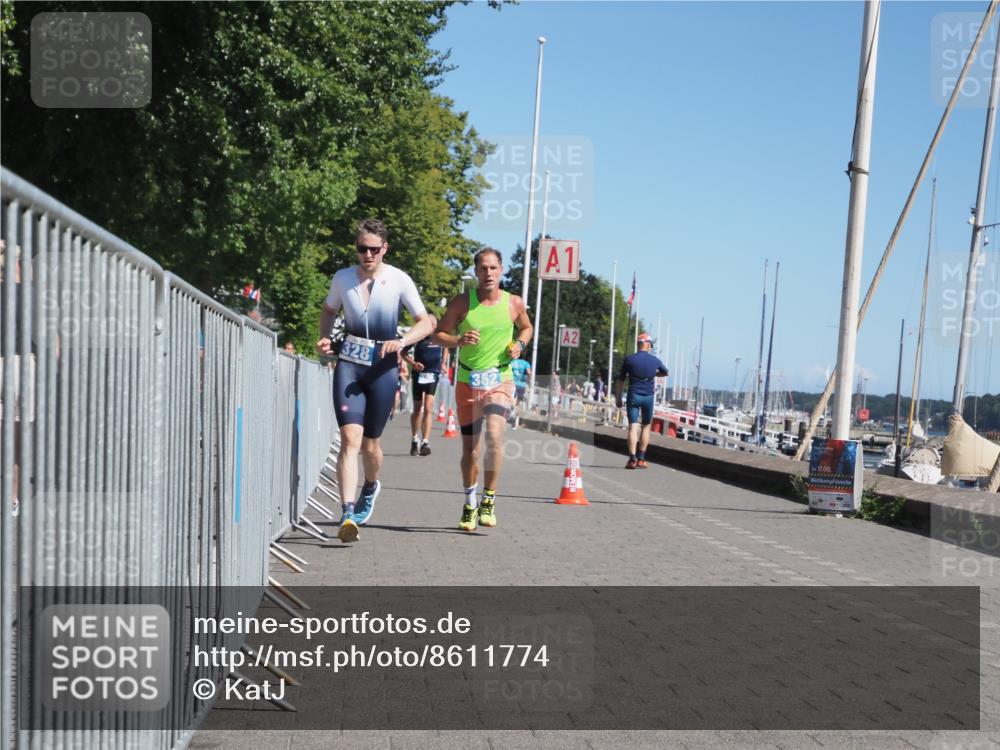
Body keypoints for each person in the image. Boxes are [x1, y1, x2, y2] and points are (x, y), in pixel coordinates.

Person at [317, 218, 434, 543]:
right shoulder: (342, 279)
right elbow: (328, 311)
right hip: (350, 366)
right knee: (349, 441)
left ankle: (370, 487)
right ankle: (347, 512)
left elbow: (426, 321)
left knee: (371, 444)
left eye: (373, 249)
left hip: (382, 370)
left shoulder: (399, 279)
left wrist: (405, 340)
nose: (367, 255)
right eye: (361, 249)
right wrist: (326, 339)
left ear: (384, 249)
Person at [434, 248, 533, 532]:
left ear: (501, 270)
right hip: (468, 383)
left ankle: (489, 500)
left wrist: (520, 345)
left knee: (494, 436)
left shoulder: (513, 303)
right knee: (471, 451)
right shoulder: (462, 303)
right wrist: (458, 340)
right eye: (483, 269)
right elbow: (437, 335)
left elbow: (526, 328)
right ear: (476, 272)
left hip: (500, 381)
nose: (488, 273)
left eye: (493, 268)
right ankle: (470, 503)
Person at [615, 332, 669, 469]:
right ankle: (641, 459)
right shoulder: (655, 360)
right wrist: (654, 373)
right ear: (648, 344)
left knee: (633, 426)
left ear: (638, 344)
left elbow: (621, 380)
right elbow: (666, 372)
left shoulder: (629, 359)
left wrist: (618, 397)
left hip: (633, 395)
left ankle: (632, 459)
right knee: (646, 426)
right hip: (648, 397)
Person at [401, 315, 447, 456]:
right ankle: (415, 439)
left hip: (433, 374)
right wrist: (414, 364)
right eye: (432, 325)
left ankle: (425, 442)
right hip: (419, 375)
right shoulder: (418, 337)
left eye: (435, 325)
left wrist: (443, 362)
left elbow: (446, 347)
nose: (434, 327)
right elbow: (403, 352)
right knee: (417, 409)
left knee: (428, 407)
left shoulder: (440, 337)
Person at [509, 355, 531, 429]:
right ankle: (516, 422)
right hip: (522, 385)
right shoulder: (526, 363)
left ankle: (512, 413)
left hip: (512, 383)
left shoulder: (512, 362)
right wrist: (528, 382)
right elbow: (529, 372)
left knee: (512, 401)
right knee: (518, 404)